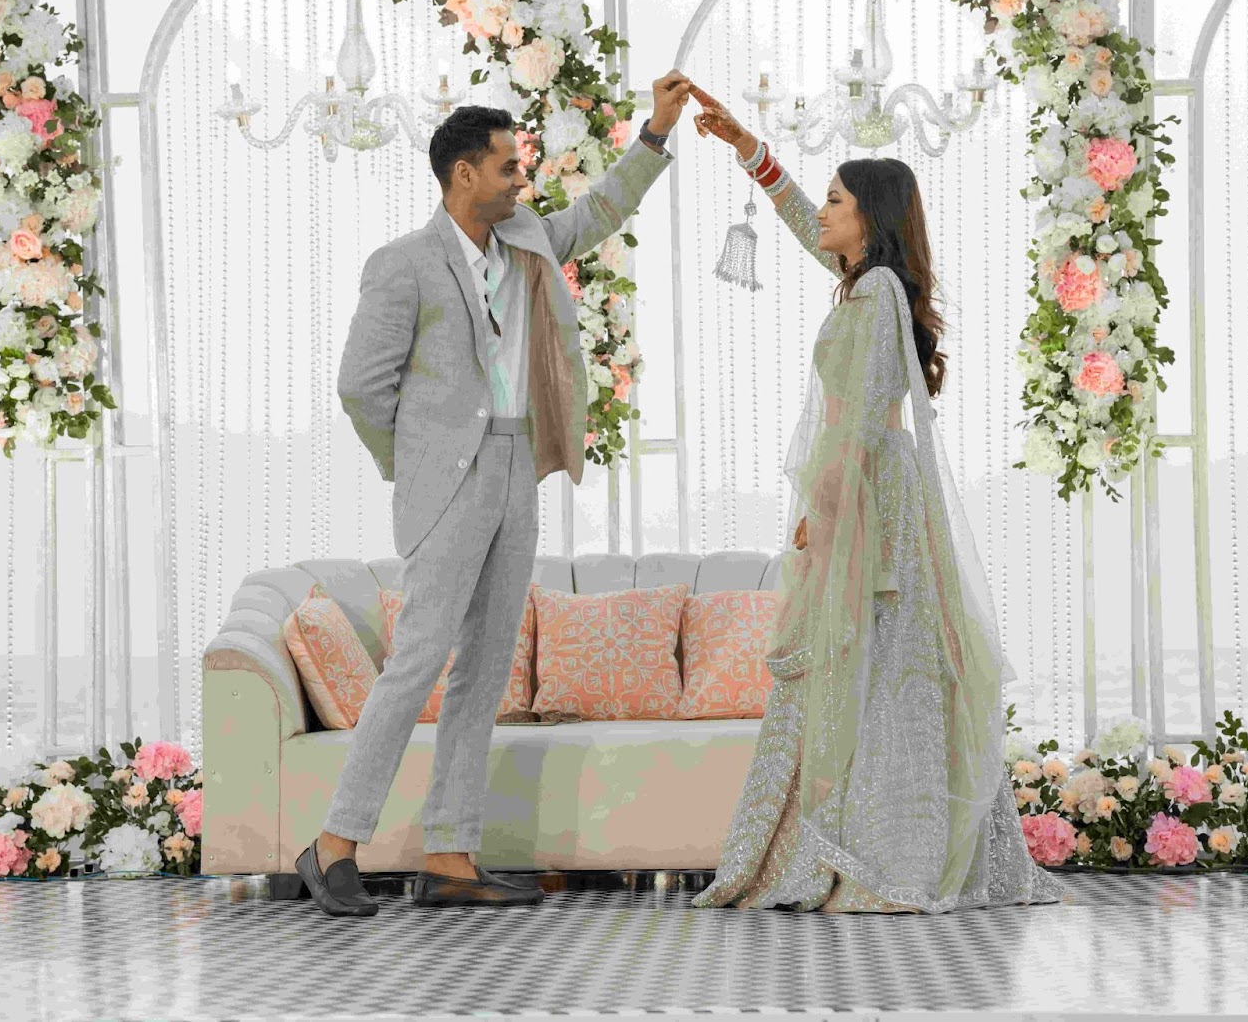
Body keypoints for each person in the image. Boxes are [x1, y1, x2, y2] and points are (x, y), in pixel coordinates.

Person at [298, 73, 695, 917]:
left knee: (483, 674)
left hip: (522, 467)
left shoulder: (526, 241)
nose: (522, 178)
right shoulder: (403, 265)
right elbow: (360, 387)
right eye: (508, 166)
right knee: (417, 667)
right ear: (462, 175)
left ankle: (450, 855)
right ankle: (334, 843)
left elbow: (600, 213)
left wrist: (655, 135)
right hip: (449, 480)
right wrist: (419, 463)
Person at [686, 84, 1065, 913]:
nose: (820, 212)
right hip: (874, 493)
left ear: (870, 218)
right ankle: (872, 842)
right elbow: (796, 223)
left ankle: (879, 854)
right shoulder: (868, 284)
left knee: (879, 668)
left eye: (835, 201)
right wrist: (747, 147)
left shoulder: (876, 294)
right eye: (823, 198)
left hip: (867, 497)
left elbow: (856, 422)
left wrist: (823, 516)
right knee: (876, 669)